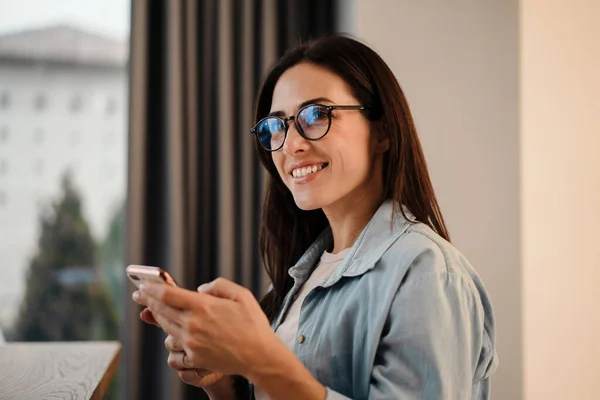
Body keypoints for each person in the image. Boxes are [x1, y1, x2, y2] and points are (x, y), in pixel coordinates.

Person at [132, 35, 498, 400]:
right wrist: (223, 382)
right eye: (277, 126)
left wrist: (260, 359)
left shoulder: (428, 275)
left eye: (316, 115)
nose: (291, 144)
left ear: (383, 131)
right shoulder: (300, 277)